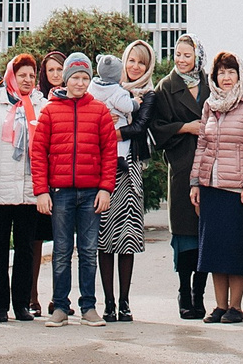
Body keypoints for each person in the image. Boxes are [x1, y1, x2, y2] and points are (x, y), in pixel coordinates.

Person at [29, 52, 118, 327]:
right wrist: (41, 191)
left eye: (84, 78)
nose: (80, 83)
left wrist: (106, 189)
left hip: (92, 192)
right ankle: (60, 306)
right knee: (62, 250)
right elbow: (39, 152)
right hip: (61, 192)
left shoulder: (100, 111)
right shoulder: (51, 111)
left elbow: (109, 153)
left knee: (89, 251)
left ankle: (89, 306)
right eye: (75, 78)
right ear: (66, 80)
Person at [189, 48, 243, 324]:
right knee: (213, 249)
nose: (226, 77)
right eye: (221, 72)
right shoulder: (210, 105)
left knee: (236, 249)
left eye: (231, 71)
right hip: (211, 186)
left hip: (239, 190)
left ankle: (235, 306)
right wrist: (195, 182)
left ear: (239, 75)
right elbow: (202, 144)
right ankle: (220, 306)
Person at [0, 51, 47, 322]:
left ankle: (21, 304)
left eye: (31, 75)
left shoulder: (41, 105)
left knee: (26, 248)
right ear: (10, 76)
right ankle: (0, 304)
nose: (26, 80)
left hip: (28, 188)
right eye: (21, 75)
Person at [145, 33, 206, 319]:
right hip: (182, 166)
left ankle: (200, 293)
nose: (182, 60)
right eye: (178, 54)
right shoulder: (166, 86)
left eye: (188, 55)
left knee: (207, 231)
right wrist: (185, 127)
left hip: (210, 166)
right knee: (184, 233)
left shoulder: (210, 83)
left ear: (197, 56)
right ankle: (184, 291)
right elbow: (157, 128)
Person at [91, 45, 153, 322]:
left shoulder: (148, 95)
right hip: (102, 169)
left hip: (129, 169)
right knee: (104, 238)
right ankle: (109, 302)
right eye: (131, 60)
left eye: (142, 62)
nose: (135, 66)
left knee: (126, 237)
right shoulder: (106, 90)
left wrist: (111, 129)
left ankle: (125, 302)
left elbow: (140, 127)